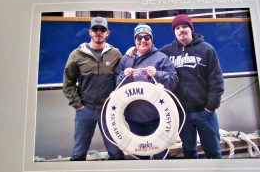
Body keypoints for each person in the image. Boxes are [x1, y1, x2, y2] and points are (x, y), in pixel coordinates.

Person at [159, 14, 224, 159]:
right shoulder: (165, 52)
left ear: (191, 29)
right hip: (182, 114)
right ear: (174, 31)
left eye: (185, 26)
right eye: (178, 27)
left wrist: (210, 107)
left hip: (205, 113)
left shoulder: (207, 49)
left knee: (213, 152)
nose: (181, 30)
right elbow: (147, 54)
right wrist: (132, 52)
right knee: (189, 152)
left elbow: (217, 81)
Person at [63, 16, 124, 161]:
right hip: (85, 111)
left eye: (102, 29)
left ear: (107, 33)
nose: (99, 32)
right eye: (95, 29)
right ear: (90, 32)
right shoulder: (76, 54)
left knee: (116, 153)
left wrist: (133, 50)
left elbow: (123, 76)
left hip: (108, 111)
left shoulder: (115, 54)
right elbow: (68, 83)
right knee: (79, 154)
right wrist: (78, 105)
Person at [115, 23, 178, 159]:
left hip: (157, 118)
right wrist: (123, 75)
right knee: (140, 158)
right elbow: (116, 83)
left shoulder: (161, 58)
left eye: (147, 37)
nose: (143, 40)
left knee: (161, 156)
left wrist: (157, 74)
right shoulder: (126, 59)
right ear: (134, 40)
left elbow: (173, 81)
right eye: (139, 37)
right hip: (133, 119)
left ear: (151, 39)